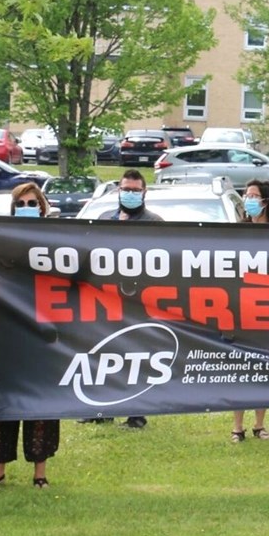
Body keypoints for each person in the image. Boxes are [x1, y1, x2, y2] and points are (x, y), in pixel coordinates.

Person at [0, 182, 59, 488]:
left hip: (43, 336)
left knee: (41, 405)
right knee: (1, 402)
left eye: (32, 203)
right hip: (7, 334)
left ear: (42, 206)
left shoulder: (56, 243)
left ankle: (40, 474)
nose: (28, 208)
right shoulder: (0, 243)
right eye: (22, 204)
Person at [93, 169, 158, 429]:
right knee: (105, 353)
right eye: (125, 189)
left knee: (136, 356)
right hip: (106, 299)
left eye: (135, 190)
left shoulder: (154, 223)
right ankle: (103, 410)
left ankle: (136, 414)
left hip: (138, 302)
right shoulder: (103, 219)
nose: (130, 194)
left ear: (144, 192)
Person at [232, 179, 269, 443]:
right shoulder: (237, 232)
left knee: (263, 368)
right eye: (246, 195)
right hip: (240, 308)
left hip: (268, 308)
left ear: (266, 201)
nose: (249, 200)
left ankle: (259, 424)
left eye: (254, 196)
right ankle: (237, 426)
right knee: (240, 368)